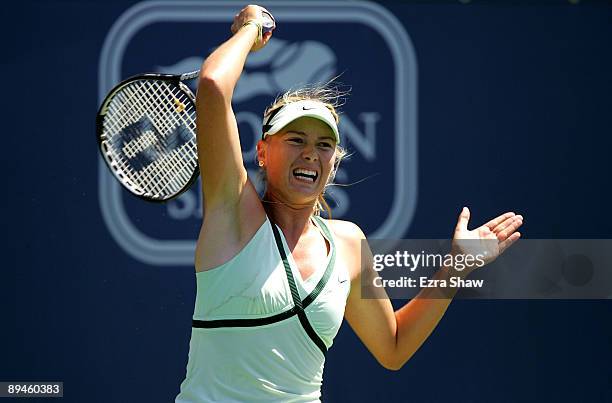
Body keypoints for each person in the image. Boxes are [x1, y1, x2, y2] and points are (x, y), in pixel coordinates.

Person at [175, 5, 523, 402]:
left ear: (334, 162)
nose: (310, 154)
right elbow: (213, 86)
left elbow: (393, 348)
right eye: (295, 140)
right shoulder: (233, 211)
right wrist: (250, 30)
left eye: (324, 145)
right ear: (262, 152)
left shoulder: (347, 244)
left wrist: (456, 265)